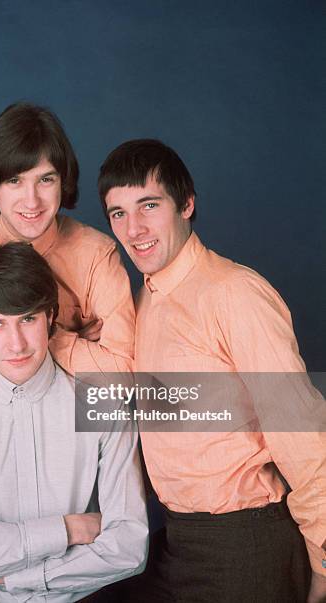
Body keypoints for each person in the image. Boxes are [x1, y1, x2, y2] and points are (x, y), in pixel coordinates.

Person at [98, 138, 326, 602]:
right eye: (118, 213)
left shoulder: (234, 292)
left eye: (148, 204)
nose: (134, 227)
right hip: (177, 538)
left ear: (186, 204)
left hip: (246, 540)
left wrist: (323, 554)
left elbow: (300, 427)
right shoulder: (143, 298)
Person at [0, 242, 148, 602]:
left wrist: (17, 578)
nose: (16, 344)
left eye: (28, 318)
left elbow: (129, 546)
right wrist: (69, 529)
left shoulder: (101, 402)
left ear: (50, 318)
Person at [0, 102, 135, 388]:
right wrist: (59, 343)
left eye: (46, 180)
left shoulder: (96, 252)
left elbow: (122, 373)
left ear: (63, 182)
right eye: (14, 181)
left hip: (68, 419)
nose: (32, 201)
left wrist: (37, 339)